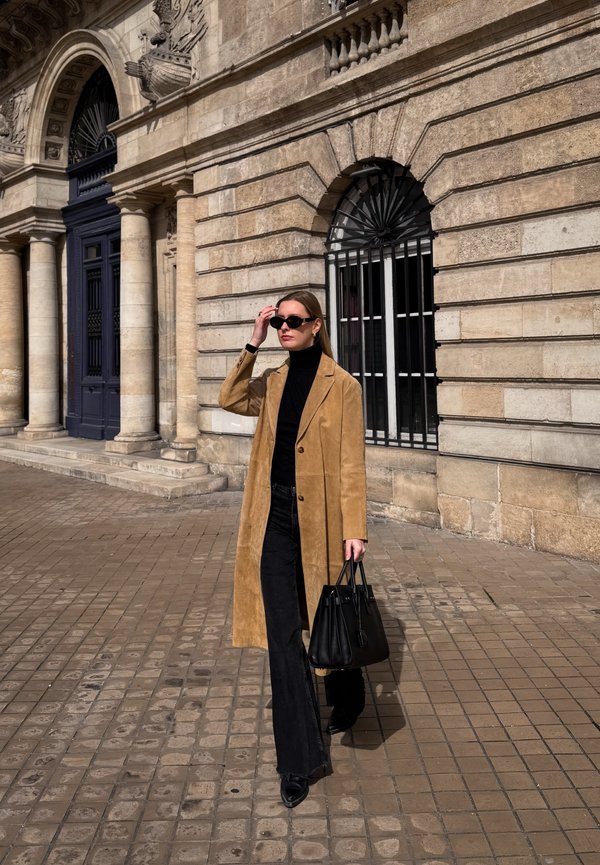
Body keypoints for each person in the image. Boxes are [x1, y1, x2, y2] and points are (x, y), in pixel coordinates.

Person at [218, 290, 368, 808]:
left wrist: (356, 529)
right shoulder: (273, 380)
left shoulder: (342, 386)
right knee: (285, 642)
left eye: (294, 321)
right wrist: (250, 344)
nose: (285, 327)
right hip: (273, 522)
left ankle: (349, 692)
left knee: (328, 620)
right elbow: (229, 400)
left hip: (320, 522)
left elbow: (352, 462)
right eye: (278, 320)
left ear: (317, 325)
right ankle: (299, 761)